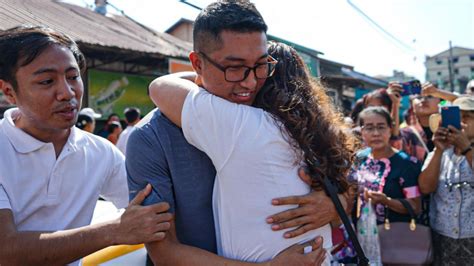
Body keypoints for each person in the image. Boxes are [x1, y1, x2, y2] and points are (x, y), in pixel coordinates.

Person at [126, 1, 351, 265]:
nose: (251, 81)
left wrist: (334, 204)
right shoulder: (151, 138)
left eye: (261, 65)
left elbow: (348, 187)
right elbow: (164, 253)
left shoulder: (273, 122)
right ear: (197, 63)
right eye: (234, 68)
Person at [0, 26, 172, 265]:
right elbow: (6, 251)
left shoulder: (100, 152)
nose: (67, 92)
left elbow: (152, 209)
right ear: (9, 91)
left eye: (73, 77)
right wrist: (114, 231)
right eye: (47, 81)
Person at [418, 96, 474, 265]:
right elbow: (426, 187)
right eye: (458, 118)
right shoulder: (441, 153)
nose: (461, 124)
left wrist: (466, 148)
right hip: (442, 238)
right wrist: (438, 150)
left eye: (467, 118)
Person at [350, 106, 422, 223]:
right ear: (362, 131)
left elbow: (415, 207)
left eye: (381, 127)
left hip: (394, 235)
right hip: (363, 232)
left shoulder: (406, 164)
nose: (376, 133)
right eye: (369, 128)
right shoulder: (359, 158)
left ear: (390, 129)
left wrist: (387, 201)